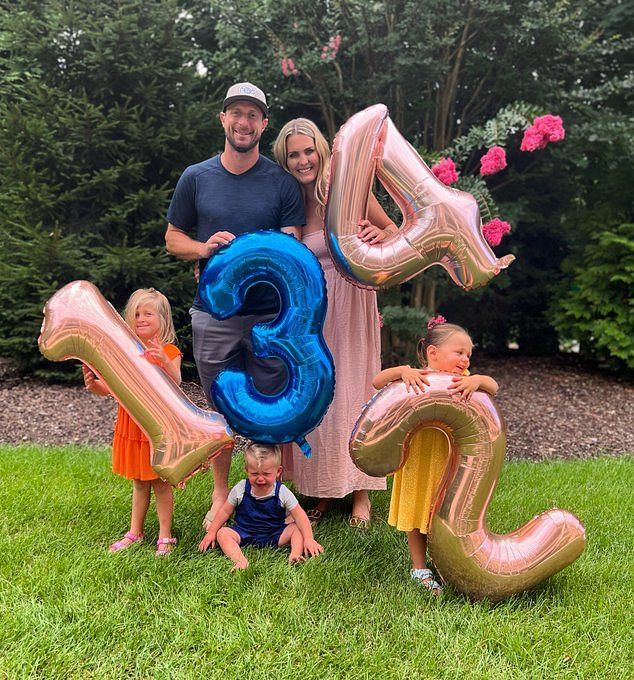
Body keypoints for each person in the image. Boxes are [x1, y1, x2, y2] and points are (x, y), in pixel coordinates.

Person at [164, 82, 305, 530]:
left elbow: (293, 244)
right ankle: (222, 494)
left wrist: (264, 251)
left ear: (264, 125)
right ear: (222, 119)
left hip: (270, 318)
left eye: (253, 115)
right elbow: (173, 240)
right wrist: (205, 249)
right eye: (236, 113)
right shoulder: (196, 177)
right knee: (220, 406)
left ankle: (274, 498)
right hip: (214, 315)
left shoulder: (281, 183)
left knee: (272, 404)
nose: (244, 122)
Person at [272, 118, 398, 528]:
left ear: (322, 152)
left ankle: (361, 492)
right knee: (318, 396)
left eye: (309, 151)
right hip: (311, 311)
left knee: (354, 392)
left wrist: (379, 235)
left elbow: (394, 230)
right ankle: (324, 490)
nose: (303, 160)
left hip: (352, 303)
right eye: (294, 154)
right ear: (285, 161)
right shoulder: (290, 204)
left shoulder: (348, 192)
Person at [372, 316, 499, 594]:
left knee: (442, 515)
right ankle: (419, 568)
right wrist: (402, 371)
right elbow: (377, 381)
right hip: (419, 459)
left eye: (468, 354)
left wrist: (477, 380)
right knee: (418, 514)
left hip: (448, 461)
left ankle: (444, 561)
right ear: (433, 353)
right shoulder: (418, 377)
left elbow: (493, 387)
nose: (465, 359)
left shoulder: (463, 381)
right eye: (459, 352)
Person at [83, 288, 182, 556]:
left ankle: (165, 536)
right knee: (139, 482)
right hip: (131, 425)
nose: (141, 318)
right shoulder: (127, 353)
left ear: (163, 319)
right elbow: (114, 388)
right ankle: (135, 532)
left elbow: (177, 383)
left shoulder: (170, 351)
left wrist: (164, 361)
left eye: (148, 313)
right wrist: (95, 386)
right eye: (136, 313)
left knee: (160, 482)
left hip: (156, 429)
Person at [198, 443, 324, 570]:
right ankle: (240, 561)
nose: (260, 479)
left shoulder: (282, 492)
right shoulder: (240, 489)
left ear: (278, 472)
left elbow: (300, 515)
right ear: (246, 470)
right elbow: (225, 511)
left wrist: (309, 539)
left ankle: (295, 555)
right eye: (254, 474)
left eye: (266, 474)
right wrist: (212, 531)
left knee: (297, 528)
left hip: (275, 533)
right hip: (244, 532)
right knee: (223, 533)